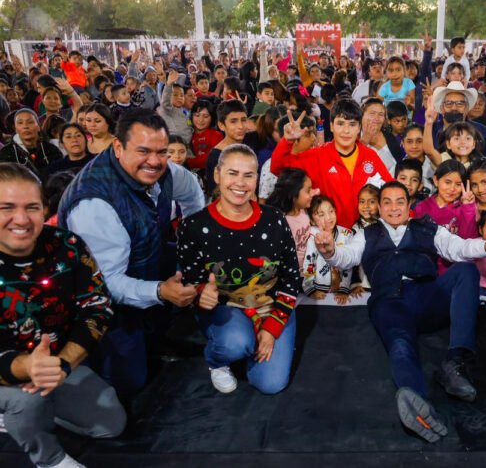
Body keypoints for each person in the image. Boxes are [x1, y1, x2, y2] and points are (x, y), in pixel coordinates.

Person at [312, 181, 486, 442]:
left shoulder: (427, 228)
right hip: (389, 302)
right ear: (379, 207)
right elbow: (347, 256)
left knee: (466, 270)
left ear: (409, 205)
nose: (394, 208)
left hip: (428, 298)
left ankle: (454, 364)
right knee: (401, 345)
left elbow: (459, 248)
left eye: (400, 201)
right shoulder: (366, 234)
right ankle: (417, 402)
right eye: (387, 202)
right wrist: (330, 251)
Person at [57, 108, 206, 398]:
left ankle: (156, 335)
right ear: (117, 146)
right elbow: (107, 284)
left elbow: (192, 195)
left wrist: (191, 241)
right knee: (129, 382)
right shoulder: (94, 204)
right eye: (143, 151)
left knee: (182, 258)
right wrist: (161, 291)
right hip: (100, 295)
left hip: (146, 258)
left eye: (162, 152)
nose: (154, 161)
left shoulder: (166, 170)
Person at [0, 163, 126, 468]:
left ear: (45, 208)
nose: (21, 219)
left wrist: (62, 365)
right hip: (10, 368)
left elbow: (98, 306)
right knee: (25, 401)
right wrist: (24, 366)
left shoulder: (68, 245)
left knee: (110, 424)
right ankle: (50, 459)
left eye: (31, 207)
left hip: (56, 360)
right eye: (6, 208)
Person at [178, 144, 300, 394]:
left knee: (270, 384)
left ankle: (251, 342)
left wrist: (271, 328)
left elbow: (290, 279)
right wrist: (201, 293)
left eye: (249, 175)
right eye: (232, 173)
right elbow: (190, 282)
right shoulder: (192, 226)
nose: (240, 183)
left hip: (272, 308)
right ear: (217, 175)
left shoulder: (275, 219)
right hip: (226, 311)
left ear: (257, 178)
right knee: (236, 342)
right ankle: (218, 360)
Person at [270, 100, 392, 229]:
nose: (346, 131)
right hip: (328, 235)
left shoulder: (370, 156)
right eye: (340, 124)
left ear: (359, 128)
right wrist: (287, 141)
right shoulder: (316, 156)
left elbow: (391, 190)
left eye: (352, 124)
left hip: (365, 233)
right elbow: (278, 168)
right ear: (331, 126)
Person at [0, 109, 62, 181]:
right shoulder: (6, 152)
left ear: (38, 126)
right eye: (20, 123)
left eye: (30, 122)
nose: (25, 126)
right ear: (16, 129)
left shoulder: (52, 150)